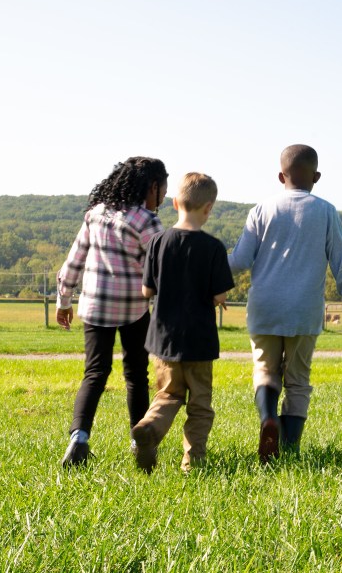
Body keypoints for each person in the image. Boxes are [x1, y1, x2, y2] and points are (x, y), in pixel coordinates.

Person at [229, 144, 342, 463]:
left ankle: (268, 417)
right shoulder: (325, 211)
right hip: (303, 312)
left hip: (264, 310)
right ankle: (290, 448)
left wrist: (206, 264)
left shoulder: (261, 210)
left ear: (280, 175)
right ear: (317, 176)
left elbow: (240, 260)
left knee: (265, 371)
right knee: (298, 381)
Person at [57, 156, 169, 467]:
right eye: (163, 190)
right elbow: (158, 270)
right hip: (133, 308)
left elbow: (74, 260)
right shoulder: (147, 221)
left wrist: (64, 300)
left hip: (93, 306)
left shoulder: (95, 214)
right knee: (135, 375)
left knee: (94, 373)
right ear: (152, 187)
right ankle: (139, 440)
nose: (164, 197)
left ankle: (79, 438)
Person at [131, 173, 235, 474]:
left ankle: (149, 428)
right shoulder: (214, 247)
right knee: (200, 406)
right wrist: (218, 297)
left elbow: (146, 291)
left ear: (175, 203)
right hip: (199, 342)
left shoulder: (158, 242)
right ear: (209, 208)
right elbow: (219, 294)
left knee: (167, 395)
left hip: (163, 340)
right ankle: (192, 462)